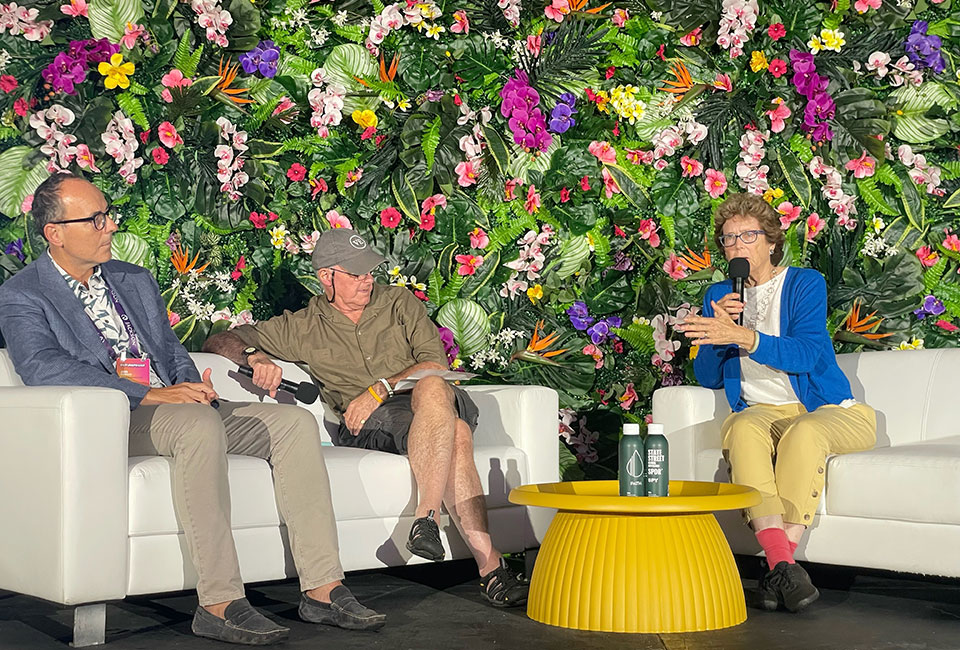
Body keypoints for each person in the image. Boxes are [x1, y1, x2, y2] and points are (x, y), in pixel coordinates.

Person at [0, 174, 385, 646]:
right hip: (113, 418)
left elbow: (168, 347)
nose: (110, 226)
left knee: (291, 423)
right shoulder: (23, 292)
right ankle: (220, 603)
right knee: (197, 425)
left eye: (108, 214)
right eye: (96, 219)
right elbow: (43, 368)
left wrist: (188, 381)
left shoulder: (132, 279)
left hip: (179, 406)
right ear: (54, 232)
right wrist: (150, 394)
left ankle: (323, 589)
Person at [203, 228, 528, 608]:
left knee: (434, 388)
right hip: (373, 427)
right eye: (355, 274)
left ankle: (427, 517)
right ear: (327, 277)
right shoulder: (303, 327)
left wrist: (380, 388)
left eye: (369, 272)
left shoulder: (399, 303)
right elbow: (219, 340)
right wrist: (255, 356)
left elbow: (434, 364)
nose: (366, 281)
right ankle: (491, 570)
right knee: (454, 432)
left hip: (422, 397)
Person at [676, 193, 876, 613]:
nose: (737, 246)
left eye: (748, 235)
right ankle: (784, 567)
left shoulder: (804, 284)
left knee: (804, 432)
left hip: (826, 410)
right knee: (744, 427)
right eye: (729, 239)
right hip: (762, 414)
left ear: (771, 242)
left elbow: (807, 355)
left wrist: (746, 337)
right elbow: (709, 377)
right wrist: (722, 327)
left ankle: (777, 567)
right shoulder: (719, 293)